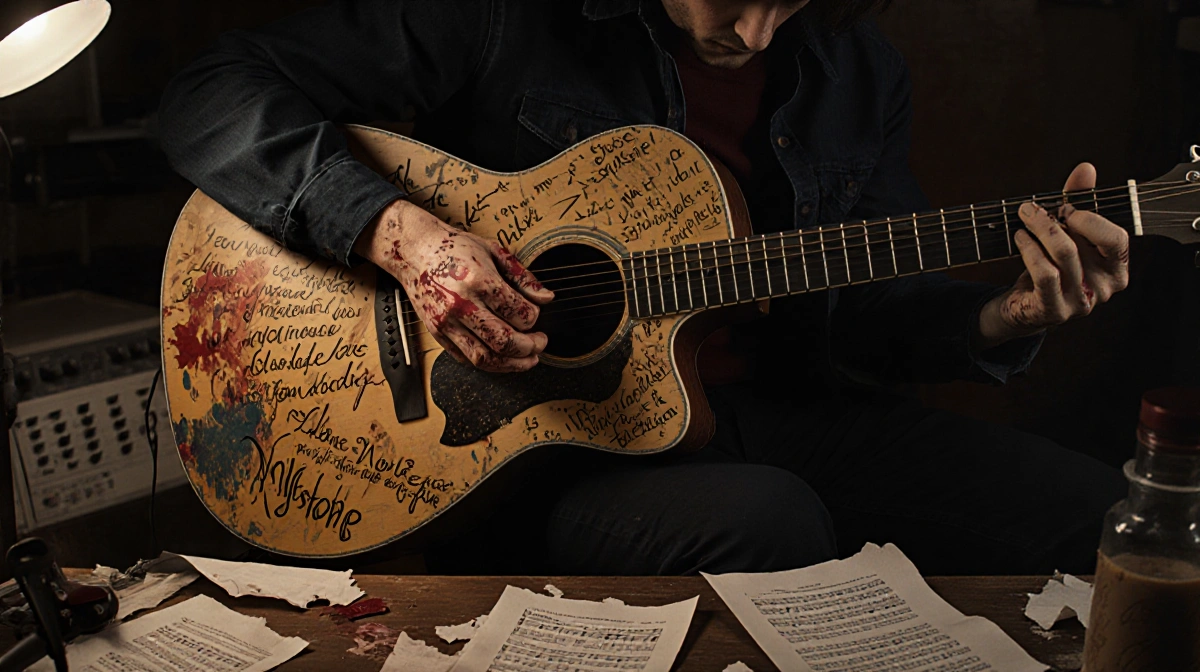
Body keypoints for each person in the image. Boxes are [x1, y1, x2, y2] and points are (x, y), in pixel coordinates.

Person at [159, 0, 1130, 576]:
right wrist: (403, 237)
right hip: (536, 448)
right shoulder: (506, 14)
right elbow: (210, 94)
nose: (753, 31)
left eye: (787, 3)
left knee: (1116, 521)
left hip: (779, 409)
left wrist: (1008, 314)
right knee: (765, 519)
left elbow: (864, 318)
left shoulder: (858, 68)